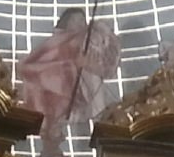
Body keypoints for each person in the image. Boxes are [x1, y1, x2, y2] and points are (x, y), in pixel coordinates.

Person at [16, 8, 123, 147]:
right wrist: (70, 65)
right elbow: (40, 61)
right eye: (76, 20)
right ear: (66, 23)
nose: (80, 24)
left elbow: (103, 66)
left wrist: (87, 64)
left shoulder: (89, 41)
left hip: (82, 89)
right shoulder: (55, 42)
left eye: (82, 21)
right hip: (58, 86)